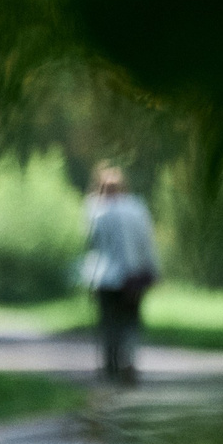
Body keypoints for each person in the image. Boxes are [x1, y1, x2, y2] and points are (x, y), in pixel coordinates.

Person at [80, 164, 157, 384]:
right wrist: (152, 270)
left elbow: (91, 244)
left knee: (108, 321)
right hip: (132, 275)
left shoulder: (95, 211)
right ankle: (128, 360)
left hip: (105, 276)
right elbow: (146, 243)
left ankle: (111, 365)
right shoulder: (136, 209)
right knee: (130, 320)